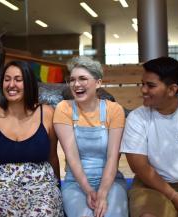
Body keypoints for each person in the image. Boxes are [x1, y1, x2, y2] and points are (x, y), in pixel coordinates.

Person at [120, 56, 178, 217]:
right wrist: (174, 196)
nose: (143, 90)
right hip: (153, 185)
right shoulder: (137, 117)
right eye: (142, 84)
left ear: (172, 89)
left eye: (150, 85)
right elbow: (139, 167)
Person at [0, 60, 63, 216]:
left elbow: (52, 157)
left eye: (18, 80)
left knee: (42, 213)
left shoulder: (47, 113)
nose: (11, 85)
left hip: (41, 186)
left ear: (28, 83)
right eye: (7, 79)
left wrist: (57, 190)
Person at [53, 56, 128, 217]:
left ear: (98, 83)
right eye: (72, 80)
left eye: (82, 79)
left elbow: (112, 157)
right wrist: (88, 190)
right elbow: (72, 157)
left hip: (111, 181)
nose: (76, 84)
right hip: (76, 183)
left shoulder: (114, 110)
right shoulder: (64, 108)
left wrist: (102, 193)